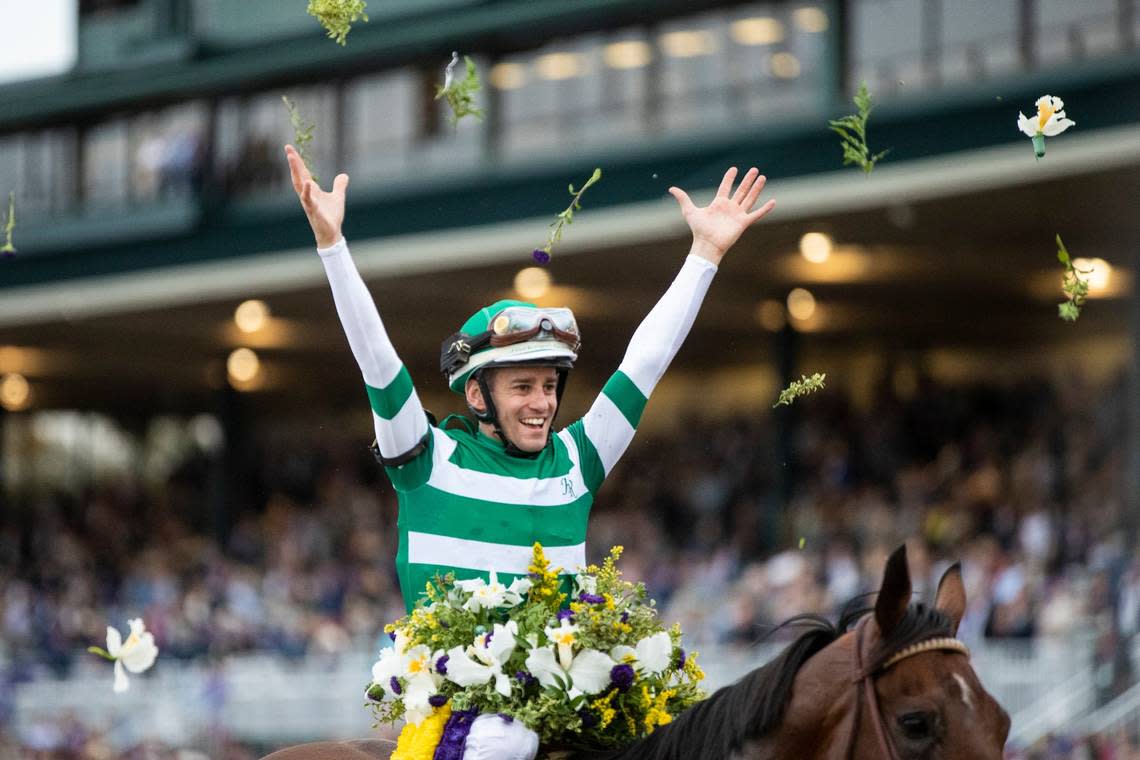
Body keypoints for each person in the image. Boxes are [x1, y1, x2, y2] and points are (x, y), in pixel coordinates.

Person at [286, 145, 773, 756]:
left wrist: (705, 255)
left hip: (569, 703)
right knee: (503, 742)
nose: (541, 402)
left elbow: (644, 364)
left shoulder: (578, 459)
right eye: (522, 387)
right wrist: (333, 247)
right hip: (459, 717)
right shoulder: (424, 459)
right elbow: (377, 360)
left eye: (548, 386)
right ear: (478, 396)